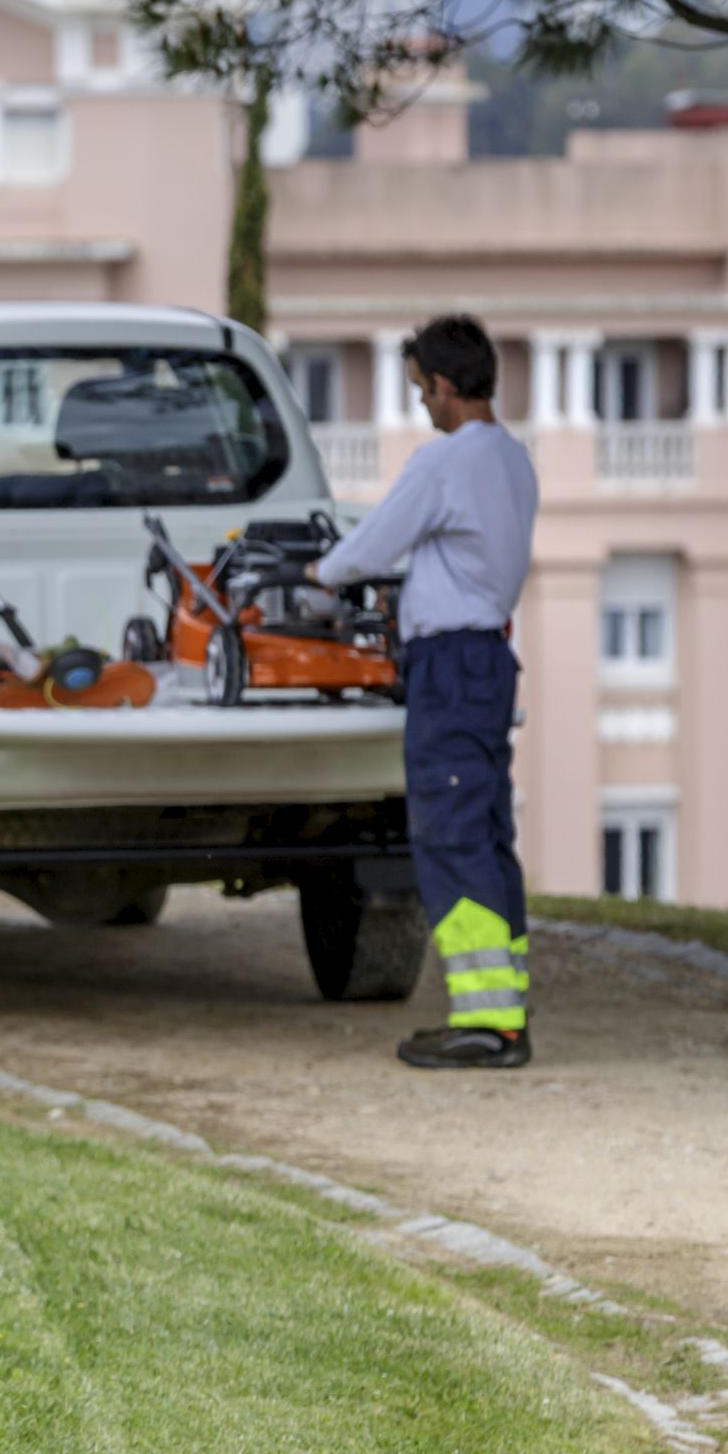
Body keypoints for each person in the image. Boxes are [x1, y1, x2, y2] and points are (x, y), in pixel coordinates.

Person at [312, 314, 541, 1070]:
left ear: (444, 386)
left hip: (449, 665)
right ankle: (505, 1009)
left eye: (420, 391)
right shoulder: (513, 459)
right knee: (487, 834)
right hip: (488, 659)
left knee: (449, 833)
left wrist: (322, 574)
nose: (421, 406)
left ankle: (485, 1022)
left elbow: (373, 545)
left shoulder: (444, 461)